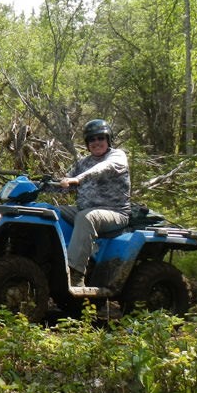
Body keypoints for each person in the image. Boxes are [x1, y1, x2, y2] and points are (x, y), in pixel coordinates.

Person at [58, 119, 130, 287]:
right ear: (87, 143)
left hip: (116, 213)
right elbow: (66, 184)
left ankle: (75, 275)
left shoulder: (117, 156)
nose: (96, 142)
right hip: (85, 209)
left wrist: (79, 178)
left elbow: (103, 168)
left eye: (100, 138)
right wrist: (41, 185)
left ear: (108, 139)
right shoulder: (83, 162)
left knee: (86, 218)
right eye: (92, 139)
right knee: (50, 213)